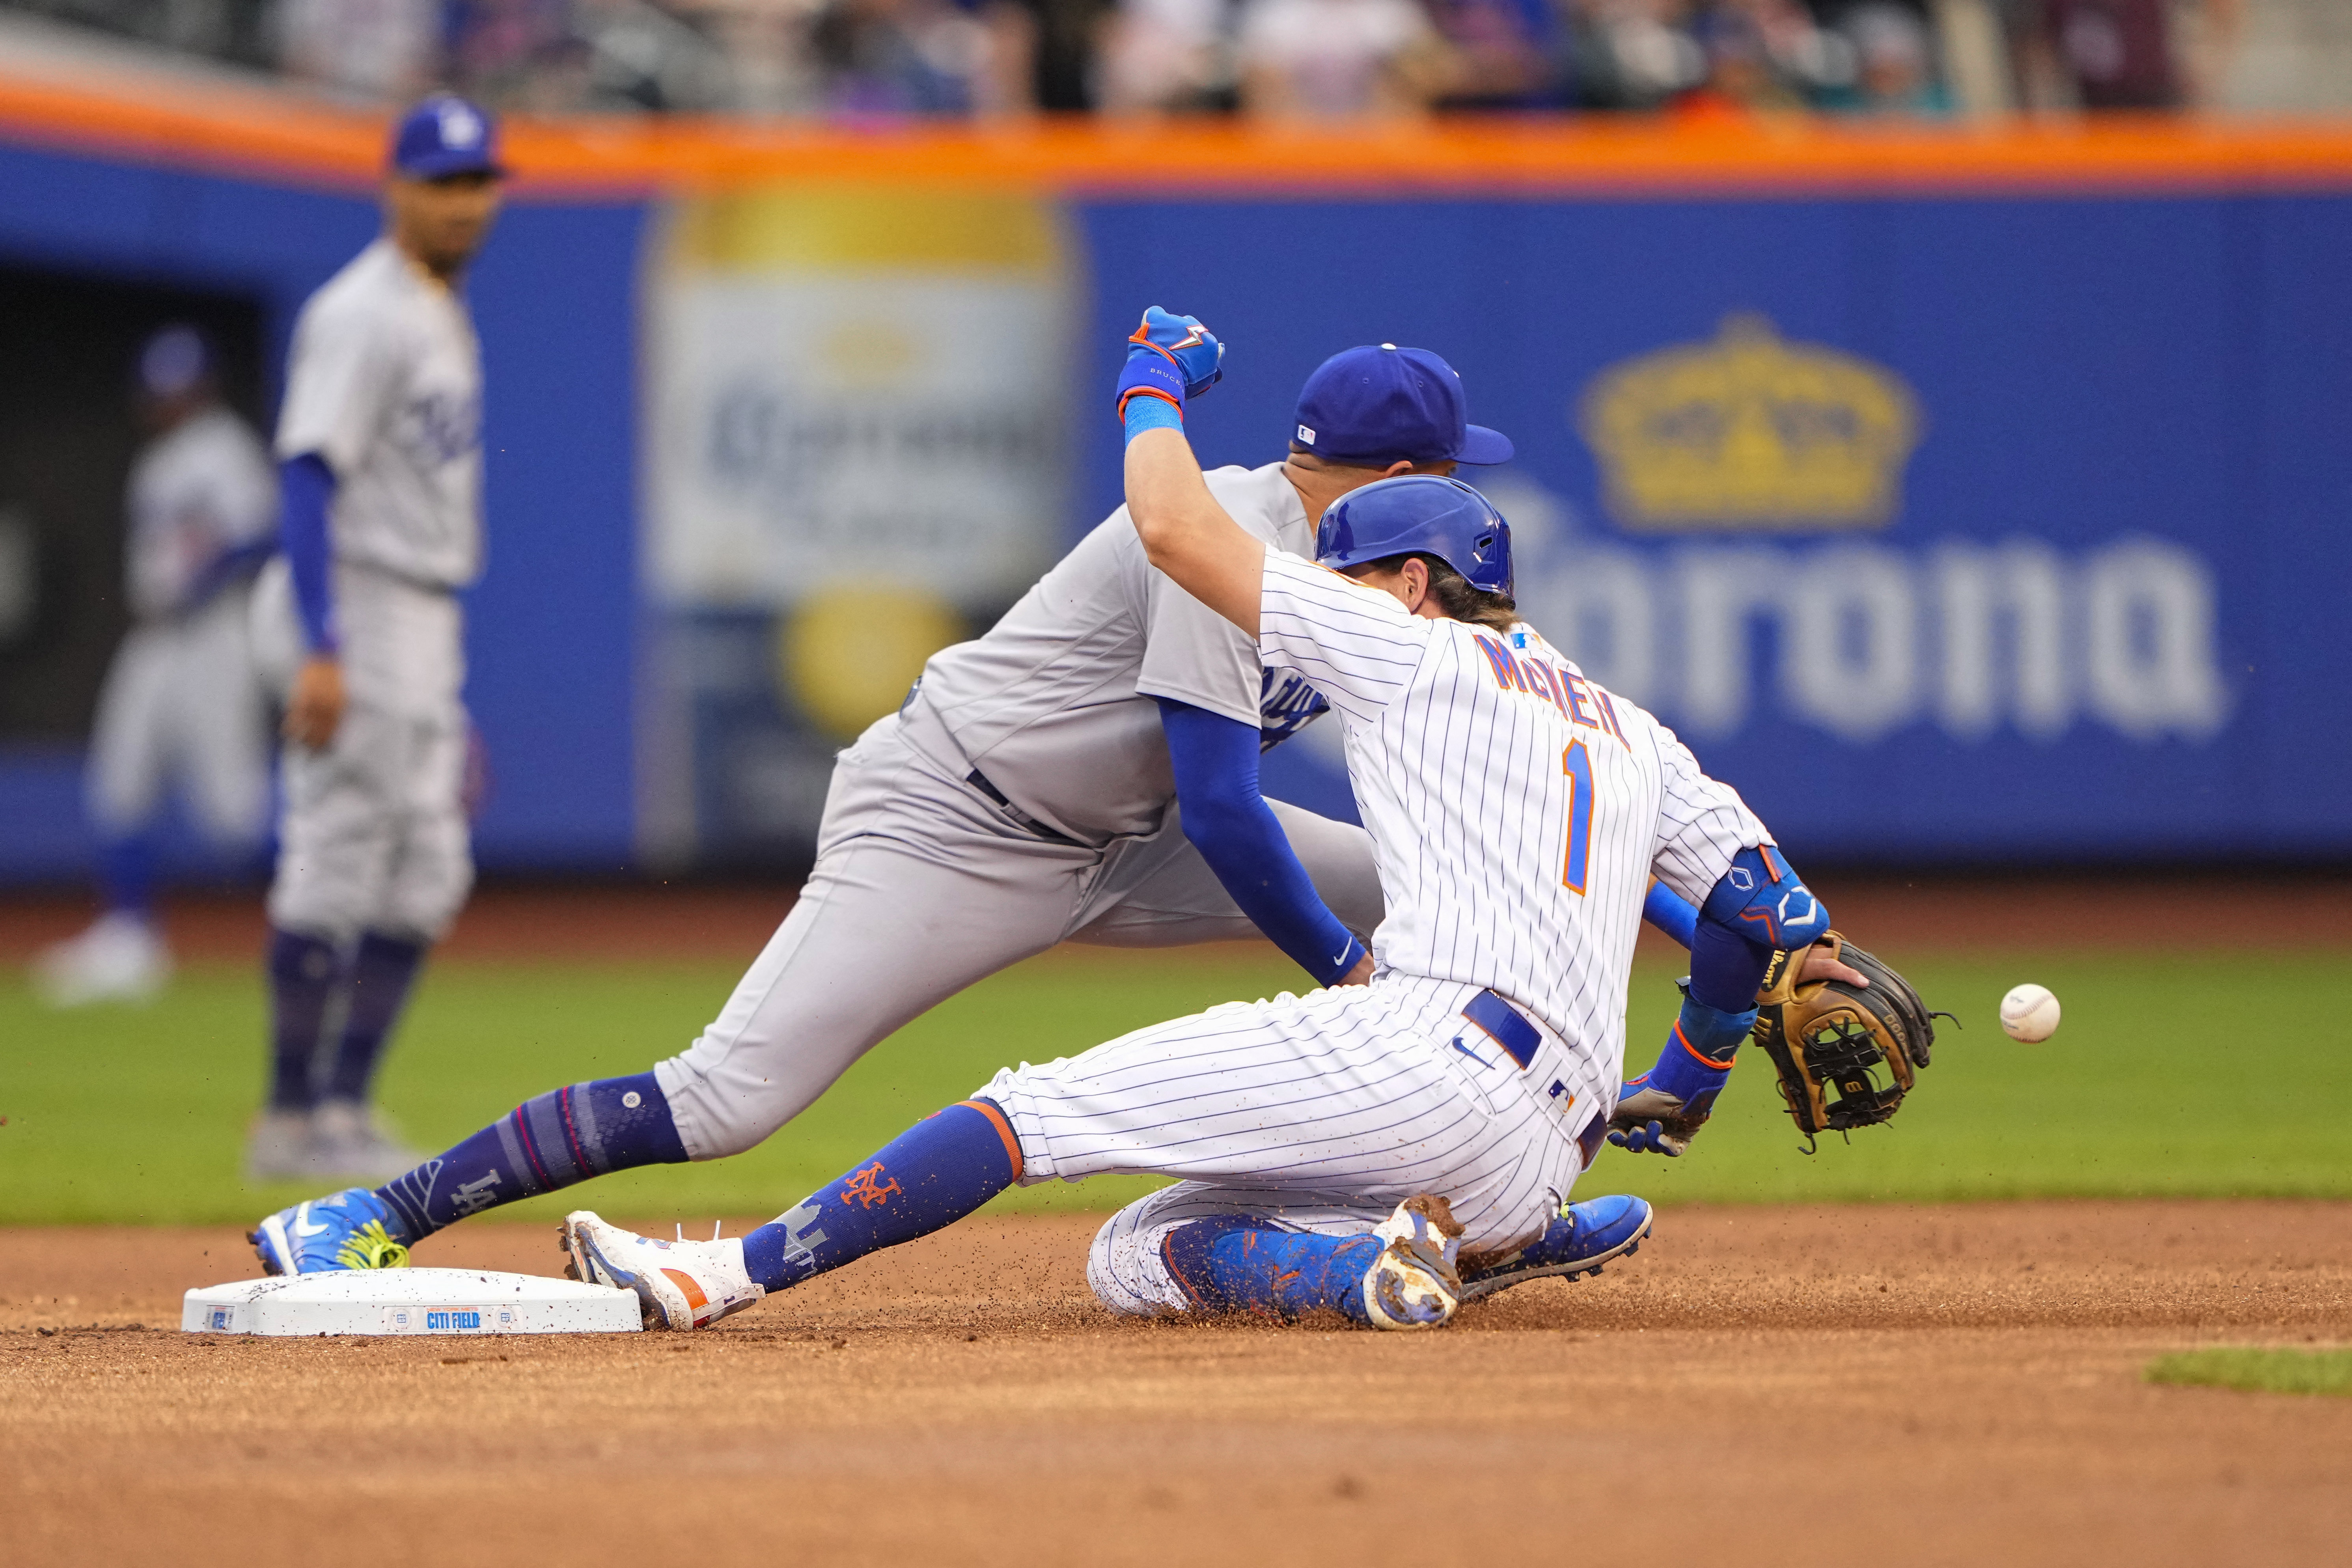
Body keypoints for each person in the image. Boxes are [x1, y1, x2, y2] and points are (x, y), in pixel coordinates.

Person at [543, 309, 1842, 1332]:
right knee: (1133, 1251)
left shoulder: (1397, 640)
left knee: (1024, 1113)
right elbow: (1763, 918)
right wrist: (1690, 1070)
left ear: (1405, 577)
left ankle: (714, 1276)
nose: (1323, 585)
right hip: (1547, 1143)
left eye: (1350, 566)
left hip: (1424, 1052)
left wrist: (1151, 380)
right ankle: (1439, 1245)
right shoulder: (1626, 724)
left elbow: (1172, 525)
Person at [250, 316, 1608, 1270]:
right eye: (1448, 467)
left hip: (1118, 837)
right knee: (728, 1097)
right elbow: (1224, 808)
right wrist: (1342, 970)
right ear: (1396, 476)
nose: (1460, 487)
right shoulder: (1232, 540)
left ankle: (1491, 1190)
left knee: (1409, 877)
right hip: (957, 820)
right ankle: (377, 1206)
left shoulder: (1356, 579)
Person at [243, 94, 505, 1184]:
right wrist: (321, 641)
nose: (463, 201)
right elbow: (307, 473)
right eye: (442, 181)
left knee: (425, 873)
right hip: (355, 595)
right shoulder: (365, 310)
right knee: (340, 861)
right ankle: (288, 1119)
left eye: (477, 180)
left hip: (418, 615)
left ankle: (341, 1108)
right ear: (395, 187)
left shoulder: (436, 306)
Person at [34, 327, 278, 1008]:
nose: (167, 400)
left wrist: (203, 583)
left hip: (214, 637)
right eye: (160, 389)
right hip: (155, 638)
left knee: (234, 815)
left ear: (204, 386)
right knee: (119, 778)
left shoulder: (225, 447)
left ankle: (327, 922)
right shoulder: (160, 459)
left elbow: (261, 534)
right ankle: (130, 937)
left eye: (180, 387)